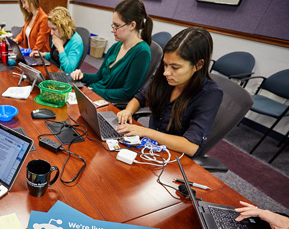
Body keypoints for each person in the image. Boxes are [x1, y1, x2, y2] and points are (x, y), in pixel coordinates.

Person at [116, 27, 223, 157]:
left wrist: (146, 132)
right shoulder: (166, 78)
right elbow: (140, 98)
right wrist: (128, 111)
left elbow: (191, 146)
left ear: (199, 65)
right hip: (149, 148)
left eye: (175, 67)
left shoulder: (210, 94)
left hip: (172, 158)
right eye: (166, 64)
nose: (166, 72)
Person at [70, 0, 152, 102]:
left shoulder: (142, 52)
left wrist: (93, 91)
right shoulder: (116, 47)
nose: (112, 30)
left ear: (132, 25)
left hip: (105, 101)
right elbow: (99, 76)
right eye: (113, 26)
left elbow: (126, 93)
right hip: (93, 93)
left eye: (117, 26)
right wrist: (83, 76)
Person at [29, 7, 83, 73]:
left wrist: (60, 48)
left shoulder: (76, 41)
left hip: (62, 77)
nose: (51, 33)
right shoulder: (59, 35)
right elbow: (55, 56)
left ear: (64, 27)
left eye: (54, 29)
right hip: (53, 70)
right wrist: (43, 54)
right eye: (50, 29)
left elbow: (69, 70)